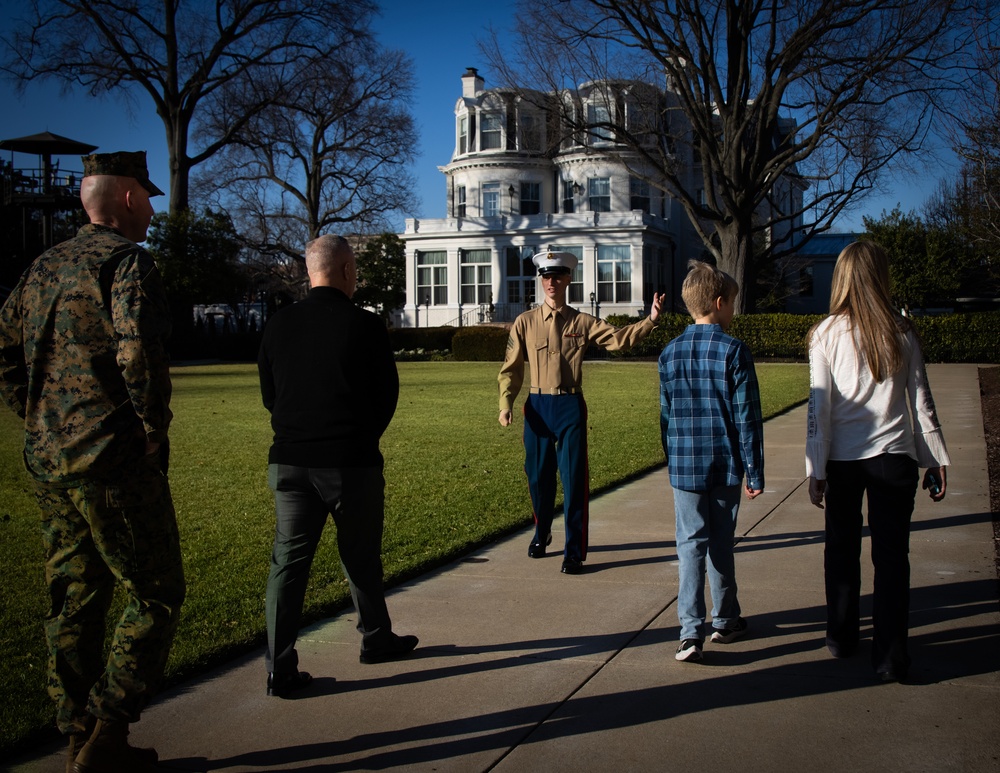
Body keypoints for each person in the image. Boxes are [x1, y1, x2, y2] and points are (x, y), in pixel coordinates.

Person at [0, 151, 184, 773]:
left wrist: (32, 416)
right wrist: (152, 429)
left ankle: (77, 734)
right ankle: (108, 730)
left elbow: (2, 346)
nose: (155, 209)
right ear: (128, 196)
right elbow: (138, 355)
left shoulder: (41, 266)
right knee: (155, 592)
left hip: (48, 462)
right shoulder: (125, 263)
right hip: (113, 462)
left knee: (75, 593)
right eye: (149, 196)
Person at [257, 234, 418, 698]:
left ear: (310, 272)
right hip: (350, 463)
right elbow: (385, 396)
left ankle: (279, 666)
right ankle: (375, 638)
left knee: (287, 564)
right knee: (361, 555)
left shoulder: (277, 325)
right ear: (347, 270)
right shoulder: (364, 326)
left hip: (290, 461)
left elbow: (271, 396)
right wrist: (360, 436)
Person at [806, 240, 950, 683]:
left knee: (842, 551)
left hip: (845, 461)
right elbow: (920, 401)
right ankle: (890, 656)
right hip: (894, 459)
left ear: (842, 278)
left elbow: (819, 410)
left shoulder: (825, 334)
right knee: (892, 559)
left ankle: (842, 636)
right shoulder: (902, 332)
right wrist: (935, 458)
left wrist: (816, 468)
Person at [498, 250, 665, 574]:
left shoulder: (581, 321)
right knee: (538, 478)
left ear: (568, 280)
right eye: (546, 276)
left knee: (574, 480)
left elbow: (618, 340)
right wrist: (505, 404)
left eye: (558, 276)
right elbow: (511, 369)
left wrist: (651, 321)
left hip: (570, 406)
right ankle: (542, 530)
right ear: (541, 280)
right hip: (538, 407)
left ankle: (573, 551)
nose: (551, 282)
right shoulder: (525, 322)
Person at [658, 260, 764, 663]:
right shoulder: (734, 351)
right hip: (724, 463)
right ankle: (725, 618)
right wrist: (754, 470)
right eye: (732, 304)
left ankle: (689, 631)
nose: (733, 311)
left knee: (689, 544)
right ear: (719, 303)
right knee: (721, 542)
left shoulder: (669, 353)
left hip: (685, 465)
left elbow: (666, 417)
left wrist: (672, 459)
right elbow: (747, 418)